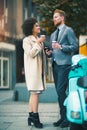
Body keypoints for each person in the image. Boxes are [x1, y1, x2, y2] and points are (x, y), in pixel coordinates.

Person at [45, 9, 78, 128]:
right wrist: (49, 53)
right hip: (55, 65)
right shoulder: (53, 34)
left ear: (62, 18)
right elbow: (54, 51)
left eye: (56, 17)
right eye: (53, 17)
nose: (54, 19)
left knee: (60, 91)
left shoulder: (68, 30)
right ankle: (63, 117)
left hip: (65, 65)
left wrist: (61, 47)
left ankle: (67, 118)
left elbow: (74, 46)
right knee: (59, 93)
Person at [22, 17, 46, 128]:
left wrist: (47, 52)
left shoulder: (37, 39)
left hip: (39, 71)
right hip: (32, 72)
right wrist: (38, 43)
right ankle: (35, 117)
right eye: (36, 25)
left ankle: (31, 116)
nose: (39, 27)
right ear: (31, 28)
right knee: (35, 93)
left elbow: (40, 56)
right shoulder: (26, 40)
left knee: (33, 94)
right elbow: (31, 54)